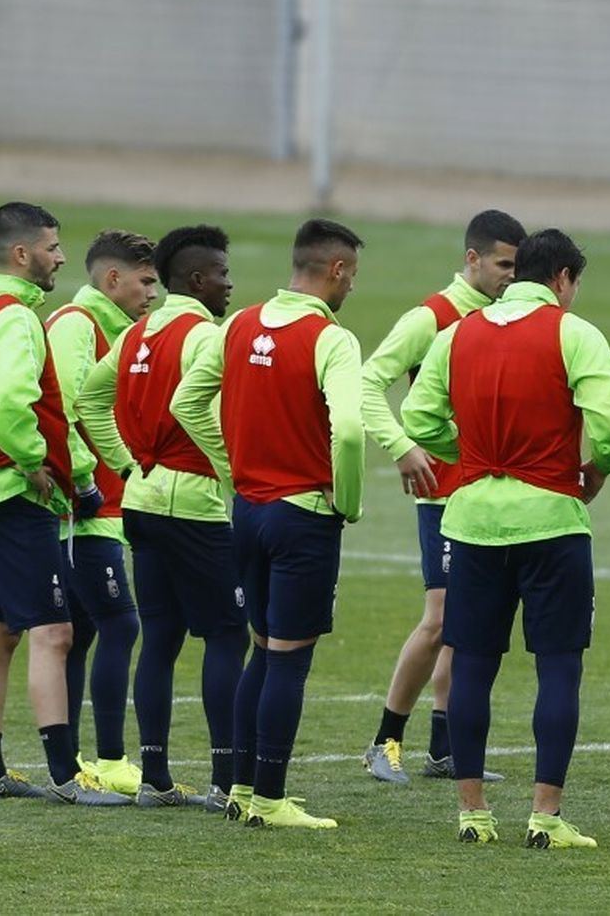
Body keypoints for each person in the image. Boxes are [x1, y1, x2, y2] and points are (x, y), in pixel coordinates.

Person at [403, 229, 610, 850]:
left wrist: (471, 457)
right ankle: (545, 815)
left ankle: (472, 812)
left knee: (473, 665)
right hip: (551, 521)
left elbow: (418, 418)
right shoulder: (572, 333)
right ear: (561, 278)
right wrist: (598, 468)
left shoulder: (456, 334)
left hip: (472, 519)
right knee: (558, 667)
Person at [172, 218, 367, 829]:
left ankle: (241, 789)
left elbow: (185, 403)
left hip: (248, 513)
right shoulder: (332, 339)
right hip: (303, 517)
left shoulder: (238, 324)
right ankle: (271, 800)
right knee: (288, 660)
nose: (352, 288)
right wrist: (349, 502)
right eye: (352, 275)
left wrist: (232, 464)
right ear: (335, 269)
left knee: (262, 652)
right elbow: (353, 429)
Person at [0, 201, 127, 805]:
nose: (62, 258)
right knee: (54, 633)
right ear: (22, 254)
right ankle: (66, 776)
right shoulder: (16, 318)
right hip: (15, 494)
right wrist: (29, 462)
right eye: (52, 247)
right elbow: (14, 403)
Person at [75, 224, 247, 809]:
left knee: (161, 638)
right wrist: (230, 469)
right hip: (192, 505)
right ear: (197, 279)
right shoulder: (207, 336)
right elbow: (195, 407)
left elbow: (90, 399)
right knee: (227, 635)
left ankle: (155, 777)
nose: (230, 283)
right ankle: (227, 781)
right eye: (223, 272)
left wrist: (127, 465)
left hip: (143, 502)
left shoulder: (139, 332)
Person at [359, 209, 525, 785]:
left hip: (483, 491)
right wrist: (402, 447)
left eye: (517, 266)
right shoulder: (430, 318)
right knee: (440, 618)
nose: (510, 275)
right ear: (472, 259)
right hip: (442, 494)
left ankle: (443, 748)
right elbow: (367, 381)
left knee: (466, 619)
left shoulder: (504, 316)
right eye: (503, 264)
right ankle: (384, 742)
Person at [45, 229, 157, 796]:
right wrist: (86, 477)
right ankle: (109, 761)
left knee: (85, 629)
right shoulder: (76, 326)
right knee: (119, 623)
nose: (152, 293)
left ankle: (70, 760)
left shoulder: (123, 333)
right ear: (112, 279)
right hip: (81, 508)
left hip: (107, 505)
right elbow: (58, 406)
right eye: (145, 281)